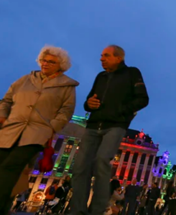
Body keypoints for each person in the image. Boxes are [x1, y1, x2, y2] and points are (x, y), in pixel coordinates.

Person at [70, 45, 149, 215]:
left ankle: (97, 210)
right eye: (101, 56)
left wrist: (121, 110)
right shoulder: (101, 76)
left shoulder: (132, 73)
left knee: (101, 161)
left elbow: (143, 99)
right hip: (93, 125)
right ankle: (77, 211)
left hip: (115, 125)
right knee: (79, 168)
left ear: (118, 57)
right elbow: (89, 100)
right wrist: (88, 104)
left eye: (106, 55)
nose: (101, 58)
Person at [0, 46, 78, 208]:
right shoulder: (25, 79)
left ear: (61, 65)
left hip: (36, 134)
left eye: (51, 62)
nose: (46, 64)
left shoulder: (66, 87)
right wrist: (2, 115)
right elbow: (6, 100)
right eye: (44, 60)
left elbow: (66, 111)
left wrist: (50, 128)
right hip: (11, 129)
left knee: (11, 166)